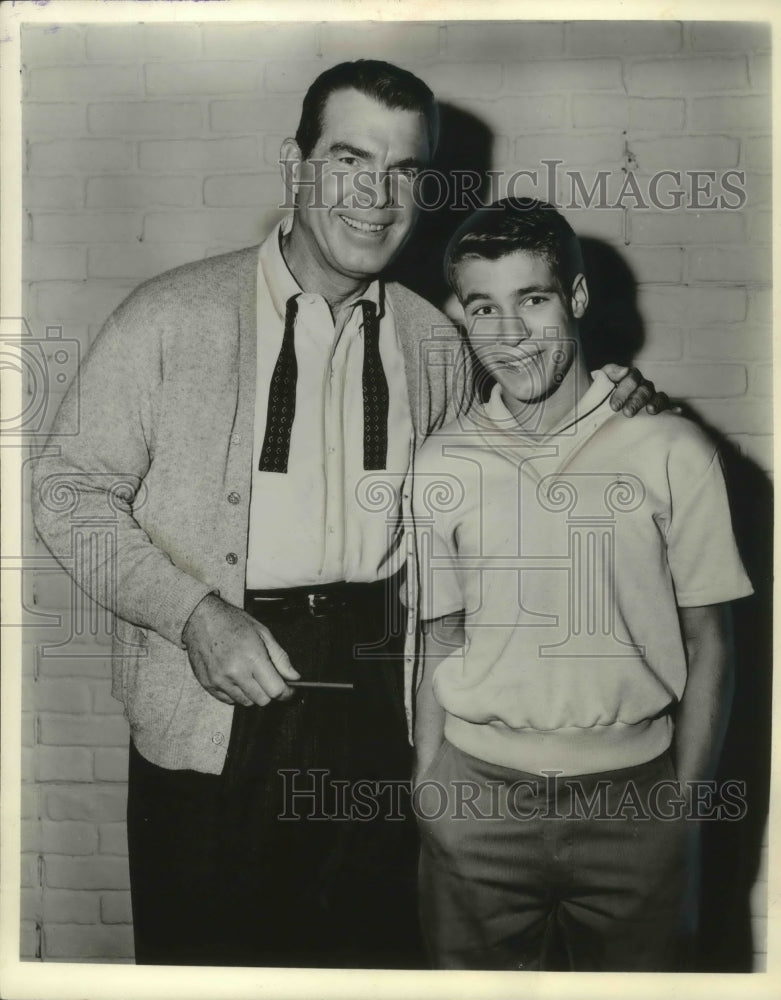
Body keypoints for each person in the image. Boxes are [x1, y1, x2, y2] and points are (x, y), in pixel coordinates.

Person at [31, 63, 665, 968]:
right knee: (208, 969)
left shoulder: (435, 340)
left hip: (379, 702)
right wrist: (194, 615)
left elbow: (512, 487)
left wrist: (611, 407)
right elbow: (65, 490)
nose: (377, 196)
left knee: (370, 964)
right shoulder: (170, 317)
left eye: (404, 170)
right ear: (295, 165)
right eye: (349, 160)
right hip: (216, 699)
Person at [410, 198, 753, 972]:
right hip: (474, 800)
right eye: (483, 308)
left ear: (578, 297)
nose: (510, 334)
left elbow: (712, 642)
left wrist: (683, 808)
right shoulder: (440, 463)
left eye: (532, 300)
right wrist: (429, 784)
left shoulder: (671, 446)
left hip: (634, 802)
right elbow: (438, 635)